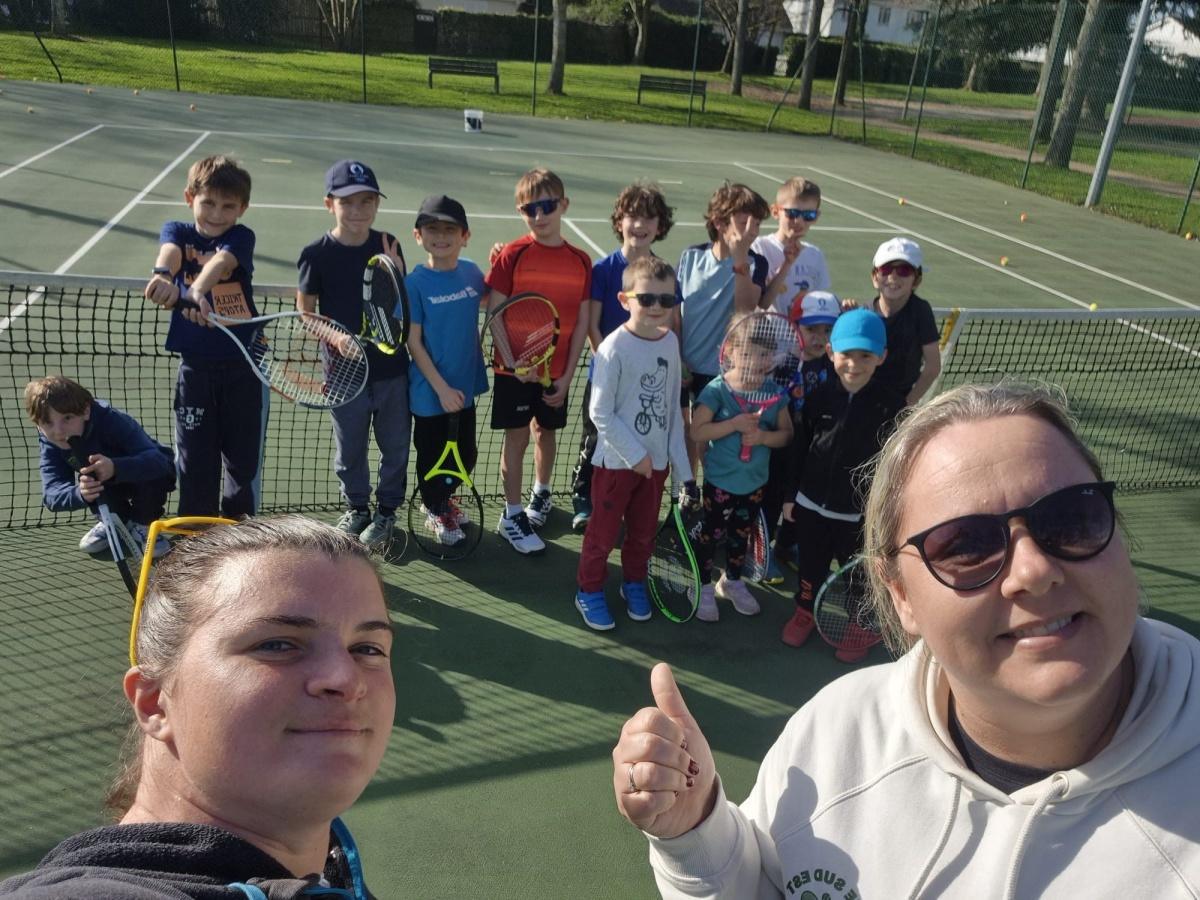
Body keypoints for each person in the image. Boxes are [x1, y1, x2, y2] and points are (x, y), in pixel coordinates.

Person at [612, 381, 1200, 898]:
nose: (1034, 571)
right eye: (967, 545)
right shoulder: (836, 731)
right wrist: (699, 833)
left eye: (1072, 517)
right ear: (900, 597)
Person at [0, 515, 394, 898]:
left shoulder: (328, 871)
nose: (346, 679)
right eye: (277, 644)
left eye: (368, 649)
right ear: (155, 702)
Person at [143, 155, 266, 519]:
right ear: (189, 198)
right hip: (195, 371)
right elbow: (170, 253)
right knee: (195, 464)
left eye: (228, 206)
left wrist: (196, 290)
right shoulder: (177, 232)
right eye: (208, 202)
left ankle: (238, 536)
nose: (216, 213)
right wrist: (163, 275)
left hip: (243, 367)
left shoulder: (241, 237)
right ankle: (195, 541)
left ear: (242, 208)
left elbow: (221, 263)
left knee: (242, 466)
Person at [297, 159, 411, 549]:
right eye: (348, 202)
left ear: (376, 206)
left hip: (392, 371)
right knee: (350, 451)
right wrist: (333, 336)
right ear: (330, 204)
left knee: (395, 447)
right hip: (344, 375)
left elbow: (398, 307)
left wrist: (398, 271)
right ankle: (357, 507)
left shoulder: (387, 245)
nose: (358, 210)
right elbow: (306, 313)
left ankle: (387, 512)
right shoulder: (315, 253)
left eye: (367, 201)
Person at [574, 257, 692, 631]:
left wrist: (683, 475)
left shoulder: (671, 342)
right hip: (615, 466)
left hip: (655, 469)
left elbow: (672, 408)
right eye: (647, 299)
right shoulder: (612, 348)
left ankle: (633, 582)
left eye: (666, 300)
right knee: (602, 535)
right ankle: (588, 590)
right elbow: (600, 413)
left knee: (642, 535)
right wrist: (637, 456)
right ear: (625, 299)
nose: (657, 307)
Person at [780, 308, 903, 657]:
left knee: (858, 575)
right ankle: (805, 611)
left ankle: (858, 621)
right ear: (832, 353)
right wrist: (792, 496)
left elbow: (893, 467)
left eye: (865, 355)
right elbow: (799, 450)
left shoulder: (890, 407)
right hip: (810, 506)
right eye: (847, 354)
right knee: (811, 565)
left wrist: (883, 512)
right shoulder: (817, 399)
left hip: (858, 515)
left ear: (882, 357)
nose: (854, 364)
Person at [485, 168, 592, 554]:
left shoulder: (581, 261)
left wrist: (565, 376)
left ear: (563, 205)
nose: (540, 214)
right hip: (513, 369)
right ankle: (511, 515)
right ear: (521, 211)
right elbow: (495, 315)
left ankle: (541, 494)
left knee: (545, 432)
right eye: (531, 208)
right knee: (515, 438)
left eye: (548, 206)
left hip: (556, 369)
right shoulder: (512, 255)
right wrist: (514, 364)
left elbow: (581, 323)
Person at [568, 182, 675, 534]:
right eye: (633, 216)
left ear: (660, 226)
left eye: (649, 217)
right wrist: (607, 364)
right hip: (607, 373)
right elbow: (593, 324)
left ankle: (629, 499)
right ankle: (585, 495)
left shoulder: (663, 274)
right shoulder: (603, 269)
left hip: (647, 379)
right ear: (620, 221)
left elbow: (671, 324)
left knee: (640, 436)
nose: (640, 224)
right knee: (595, 436)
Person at [689, 313, 793, 621]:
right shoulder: (717, 391)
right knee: (710, 534)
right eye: (747, 353)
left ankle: (731, 581)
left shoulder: (776, 395)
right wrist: (733, 424)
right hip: (720, 482)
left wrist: (762, 436)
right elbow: (697, 431)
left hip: (755, 483)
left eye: (763, 355)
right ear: (730, 350)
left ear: (772, 357)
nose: (755, 361)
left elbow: (786, 436)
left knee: (740, 535)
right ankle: (703, 584)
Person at [405, 194, 489, 545]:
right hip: (430, 392)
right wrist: (440, 388)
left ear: (465, 236)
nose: (441, 236)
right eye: (432, 229)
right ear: (418, 236)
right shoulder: (415, 283)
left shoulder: (471, 272)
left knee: (465, 454)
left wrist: (500, 258)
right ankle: (435, 506)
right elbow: (413, 342)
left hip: (465, 386)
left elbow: (491, 297)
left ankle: (443, 499)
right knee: (431, 455)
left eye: (450, 229)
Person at [676, 183, 770, 477]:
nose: (753, 230)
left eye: (757, 223)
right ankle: (687, 492)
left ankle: (711, 495)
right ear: (718, 223)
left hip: (722, 373)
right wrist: (677, 358)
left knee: (711, 441)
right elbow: (676, 315)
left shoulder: (758, 263)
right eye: (745, 222)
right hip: (685, 368)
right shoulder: (690, 257)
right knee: (683, 433)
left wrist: (740, 260)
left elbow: (745, 310)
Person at [25, 375, 173, 557]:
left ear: (86, 411)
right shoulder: (51, 442)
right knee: (89, 480)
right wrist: (80, 493)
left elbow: (158, 462)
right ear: (38, 425)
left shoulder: (112, 421)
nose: (58, 431)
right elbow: (52, 494)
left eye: (67, 418)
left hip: (143, 477)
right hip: (107, 487)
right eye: (47, 423)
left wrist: (115, 468)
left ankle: (143, 523)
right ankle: (114, 521)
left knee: (155, 474)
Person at [760, 290, 842, 583]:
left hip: (813, 453)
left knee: (802, 505)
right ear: (795, 328)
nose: (819, 338)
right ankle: (759, 550)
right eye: (811, 329)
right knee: (771, 501)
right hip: (782, 450)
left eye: (828, 330)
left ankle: (786, 544)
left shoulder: (836, 367)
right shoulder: (780, 366)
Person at [869, 236, 941, 406]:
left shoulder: (921, 312)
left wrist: (907, 403)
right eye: (886, 269)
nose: (893, 277)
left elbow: (933, 367)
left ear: (916, 280)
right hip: (864, 400)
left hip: (898, 400)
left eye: (904, 270)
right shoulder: (863, 313)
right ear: (874, 277)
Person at [753, 177, 830, 322]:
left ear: (816, 217)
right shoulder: (760, 248)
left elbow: (819, 302)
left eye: (809, 215)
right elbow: (762, 303)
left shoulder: (815, 255)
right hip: (766, 340)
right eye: (792, 213)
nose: (799, 221)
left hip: (801, 341)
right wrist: (786, 264)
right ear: (775, 211)